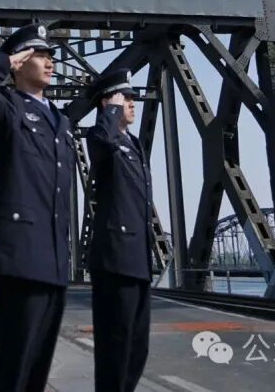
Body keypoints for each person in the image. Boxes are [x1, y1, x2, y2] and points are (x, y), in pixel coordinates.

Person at [0, 24, 74, 392]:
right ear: (20, 62)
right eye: (39, 55)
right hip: (22, 255)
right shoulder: (9, 107)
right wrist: (6, 60)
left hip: (54, 259)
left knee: (38, 368)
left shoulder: (61, 121)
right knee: (16, 363)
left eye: (50, 55)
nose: (49, 62)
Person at [85, 68, 154, 392]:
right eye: (124, 97)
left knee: (137, 348)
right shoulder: (101, 138)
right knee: (115, 348)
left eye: (131, 97)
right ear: (107, 102)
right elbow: (102, 141)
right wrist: (109, 112)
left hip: (138, 259)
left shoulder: (133, 144)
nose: (132, 102)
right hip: (115, 259)